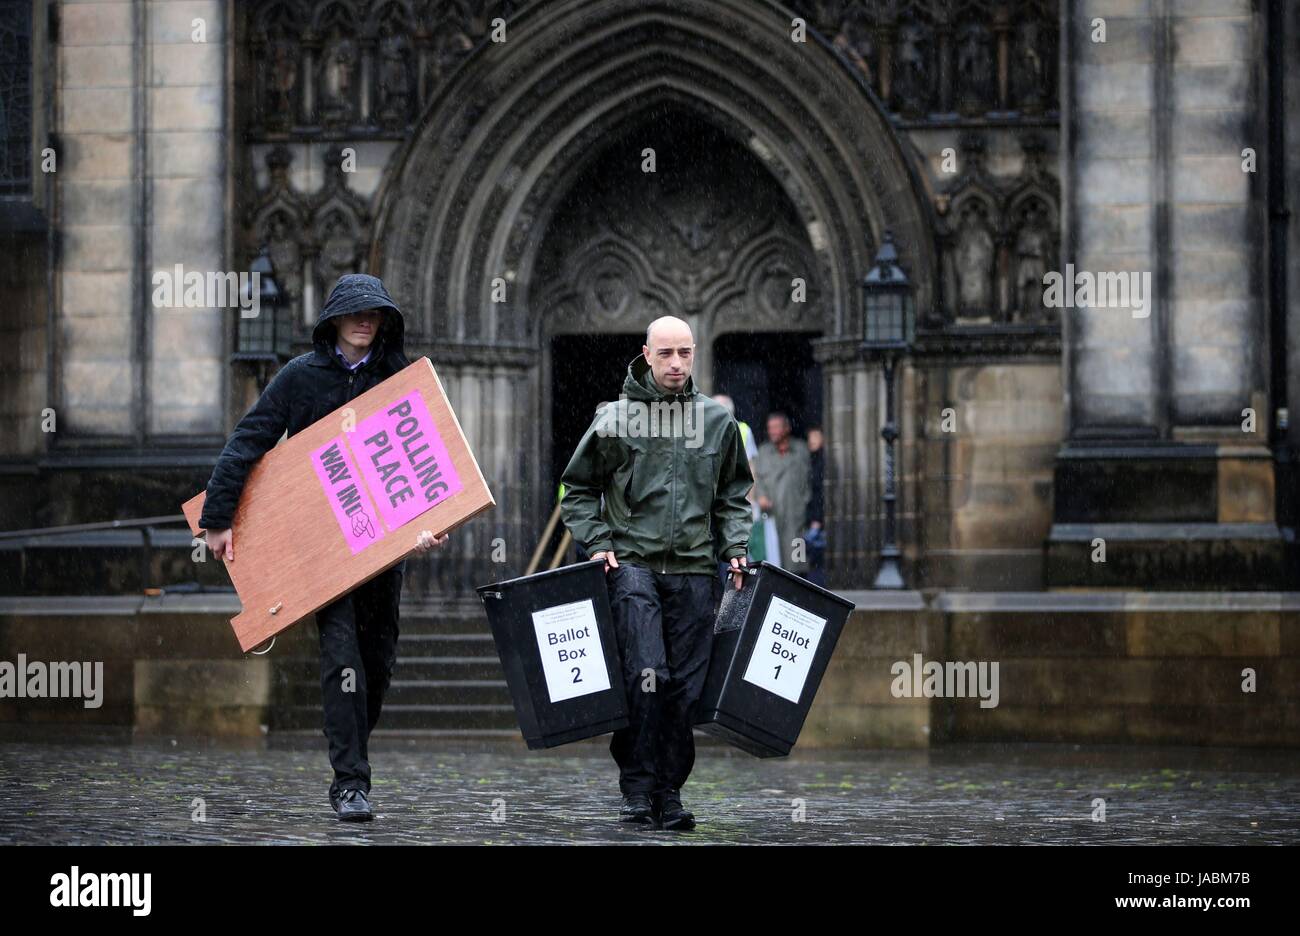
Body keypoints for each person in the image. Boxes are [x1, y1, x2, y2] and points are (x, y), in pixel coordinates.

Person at [199, 273, 448, 822]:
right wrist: (218, 517)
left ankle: (351, 749)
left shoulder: (400, 378)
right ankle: (350, 783)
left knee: (376, 665)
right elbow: (248, 440)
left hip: (383, 553)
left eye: (375, 313)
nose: (365, 321)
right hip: (323, 552)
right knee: (343, 660)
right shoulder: (300, 378)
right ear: (333, 319)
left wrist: (432, 524)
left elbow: (428, 463)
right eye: (355, 312)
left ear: (385, 320)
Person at [560, 316, 753, 830]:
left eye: (685, 353)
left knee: (685, 692)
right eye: (665, 353)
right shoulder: (616, 420)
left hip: (694, 570)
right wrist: (598, 543)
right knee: (647, 677)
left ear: (694, 356)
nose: (675, 364)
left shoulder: (716, 422)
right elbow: (577, 488)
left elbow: (733, 494)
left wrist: (735, 545)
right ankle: (638, 788)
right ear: (646, 354)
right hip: (634, 567)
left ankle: (670, 792)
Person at [753, 412, 812, 575]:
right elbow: (757, 479)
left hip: (795, 516)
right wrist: (761, 496)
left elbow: (809, 481)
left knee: (797, 561)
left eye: (776, 427)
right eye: (770, 428)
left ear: (787, 428)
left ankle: (799, 590)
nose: (772, 431)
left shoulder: (800, 450)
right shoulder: (763, 452)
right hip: (771, 515)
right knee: (773, 558)